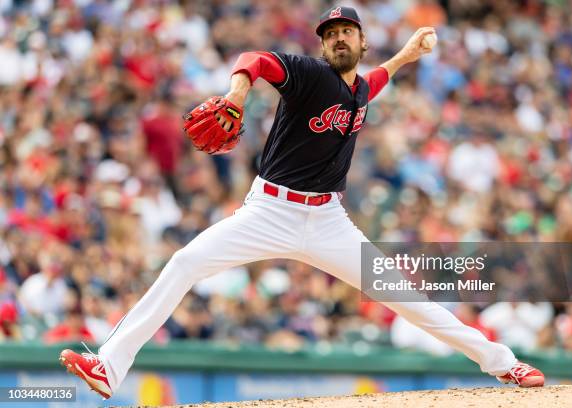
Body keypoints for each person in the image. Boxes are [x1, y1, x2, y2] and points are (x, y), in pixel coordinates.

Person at [59, 6, 545, 400]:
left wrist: (404, 57)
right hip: (268, 212)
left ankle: (503, 365)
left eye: (346, 31)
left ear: (361, 41)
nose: (338, 38)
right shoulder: (310, 75)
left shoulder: (358, 88)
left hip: (329, 221)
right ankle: (109, 366)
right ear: (321, 44)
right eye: (330, 32)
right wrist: (236, 91)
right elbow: (257, 57)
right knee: (185, 263)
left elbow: (373, 83)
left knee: (405, 296)